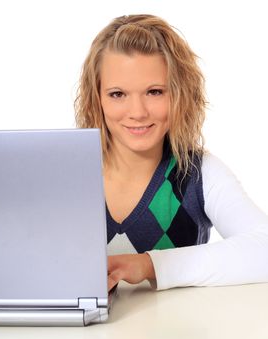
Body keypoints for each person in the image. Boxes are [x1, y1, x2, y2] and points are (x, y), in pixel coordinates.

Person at [74, 14, 268, 291]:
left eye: (154, 92)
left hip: (175, 334)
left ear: (180, 94)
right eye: (118, 94)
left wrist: (150, 265)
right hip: (75, 336)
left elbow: (265, 250)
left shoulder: (198, 172)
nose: (138, 112)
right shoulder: (68, 173)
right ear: (97, 98)